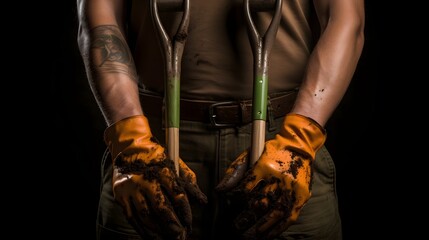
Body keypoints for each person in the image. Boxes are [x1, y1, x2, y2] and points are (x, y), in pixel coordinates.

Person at [76, 0, 365, 239]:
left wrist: (299, 139)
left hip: (283, 140)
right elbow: (99, 22)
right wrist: (130, 141)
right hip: (152, 142)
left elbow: (345, 21)